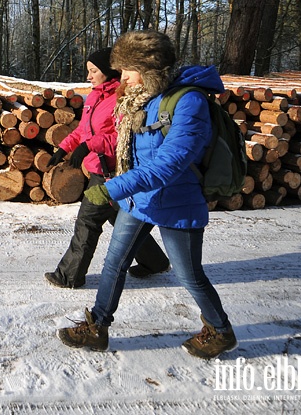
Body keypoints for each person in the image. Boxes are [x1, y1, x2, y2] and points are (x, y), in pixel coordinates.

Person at [56, 30, 237, 360]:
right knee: (114, 263)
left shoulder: (189, 102)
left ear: (149, 68)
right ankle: (97, 326)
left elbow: (170, 164)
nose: (121, 77)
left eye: (127, 69)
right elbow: (130, 150)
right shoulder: (144, 98)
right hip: (139, 200)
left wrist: (111, 188)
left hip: (176, 202)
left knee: (189, 275)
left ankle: (220, 329)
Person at [44, 47, 169, 289]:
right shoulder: (93, 96)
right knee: (118, 217)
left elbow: (120, 137)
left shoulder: (121, 98)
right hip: (97, 167)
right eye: (88, 71)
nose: (89, 76)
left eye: (93, 71)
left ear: (108, 72)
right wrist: (64, 147)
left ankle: (69, 275)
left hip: (110, 172)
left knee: (88, 222)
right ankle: (154, 262)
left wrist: (88, 145)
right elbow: (84, 129)